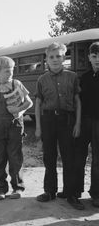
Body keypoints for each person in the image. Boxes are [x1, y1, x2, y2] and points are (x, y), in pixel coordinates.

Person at [35, 42, 83, 210]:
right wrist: (38, 127)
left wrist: (77, 123)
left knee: (68, 157)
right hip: (48, 120)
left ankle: (70, 193)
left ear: (64, 57)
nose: (55, 60)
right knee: (49, 156)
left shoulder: (72, 76)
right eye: (51, 57)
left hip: (67, 121)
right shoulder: (42, 79)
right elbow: (38, 102)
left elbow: (77, 101)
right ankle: (50, 191)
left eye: (58, 56)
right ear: (46, 59)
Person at [0, 56, 33, 200]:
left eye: (12, 70)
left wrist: (19, 110)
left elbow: (29, 103)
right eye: (7, 71)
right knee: (0, 158)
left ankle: (17, 187)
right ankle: (1, 189)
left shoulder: (17, 84)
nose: (11, 74)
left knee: (15, 157)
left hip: (15, 125)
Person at [72, 42, 99, 208]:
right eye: (95, 56)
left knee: (98, 160)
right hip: (85, 121)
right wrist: (78, 123)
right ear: (89, 57)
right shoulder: (84, 78)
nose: (98, 60)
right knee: (79, 157)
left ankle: (96, 193)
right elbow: (78, 103)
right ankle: (75, 192)